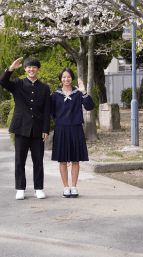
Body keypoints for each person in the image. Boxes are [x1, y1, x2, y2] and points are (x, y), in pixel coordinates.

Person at [0, 57, 51, 200]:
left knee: (38, 160)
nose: (31, 69)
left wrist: (46, 129)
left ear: (38, 69)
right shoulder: (17, 83)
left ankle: (38, 189)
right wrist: (10, 69)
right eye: (28, 67)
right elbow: (2, 82)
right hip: (20, 127)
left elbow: (47, 110)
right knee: (19, 159)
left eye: (34, 67)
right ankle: (20, 188)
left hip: (37, 129)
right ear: (24, 69)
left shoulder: (44, 88)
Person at [50, 68, 95, 198]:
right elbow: (51, 112)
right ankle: (65, 187)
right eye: (63, 77)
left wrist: (84, 91)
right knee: (62, 160)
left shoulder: (78, 94)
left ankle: (74, 187)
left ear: (72, 78)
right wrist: (59, 122)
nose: (66, 79)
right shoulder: (55, 95)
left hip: (76, 129)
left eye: (68, 77)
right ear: (60, 79)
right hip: (61, 129)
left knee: (75, 160)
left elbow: (90, 107)